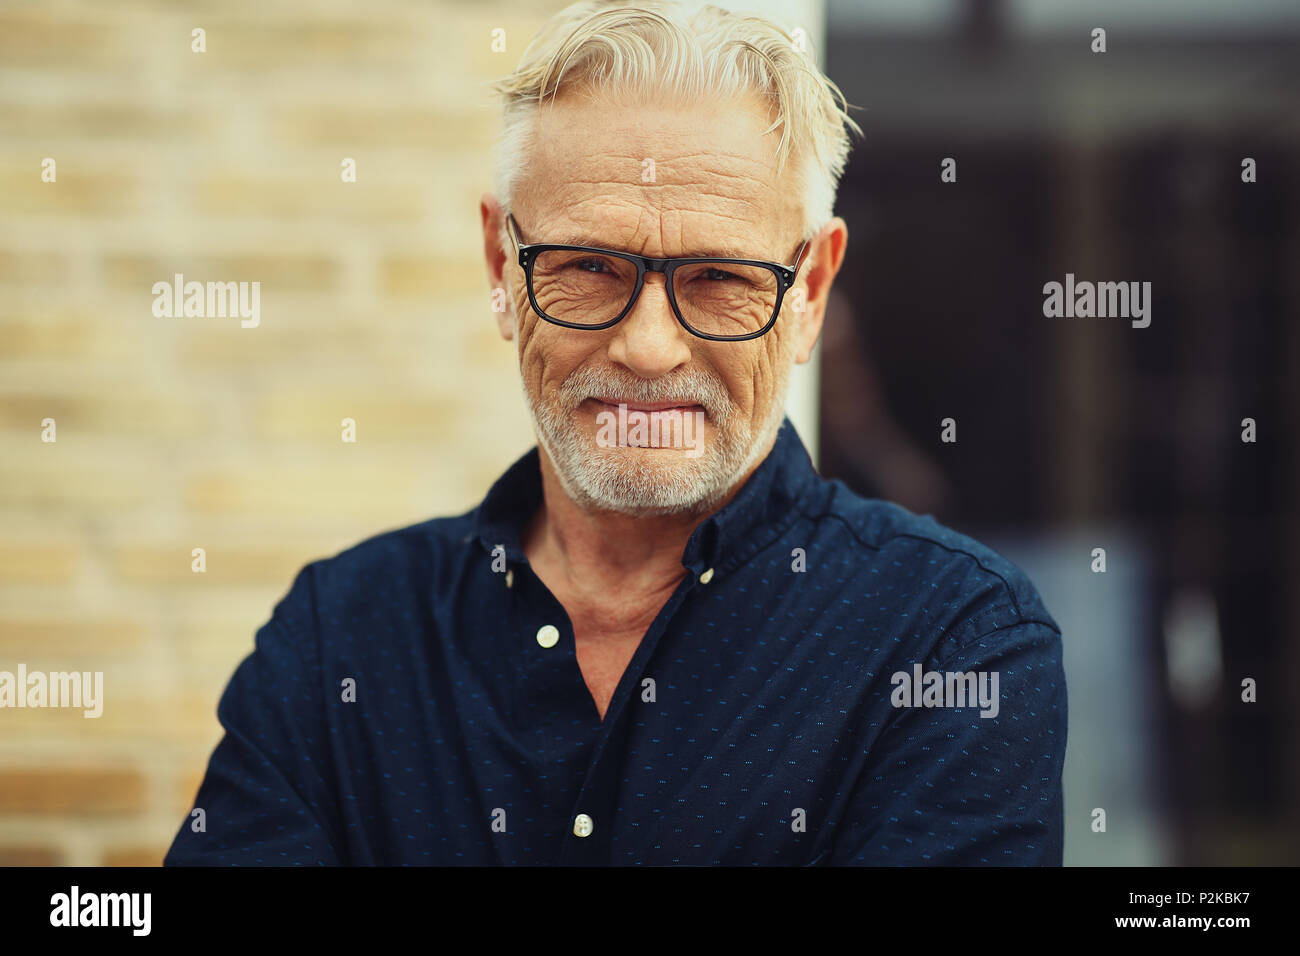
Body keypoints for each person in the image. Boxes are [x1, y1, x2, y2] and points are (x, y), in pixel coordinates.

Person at [165, 0, 1066, 866]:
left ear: (812, 295)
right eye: (589, 267)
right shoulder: (340, 637)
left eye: (719, 277)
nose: (646, 346)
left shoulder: (953, 644)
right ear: (499, 268)